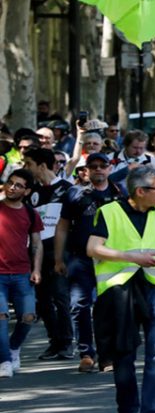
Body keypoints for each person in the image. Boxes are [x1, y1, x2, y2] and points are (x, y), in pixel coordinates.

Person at [87, 166, 155, 413]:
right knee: (124, 353)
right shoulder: (109, 212)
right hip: (121, 291)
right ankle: (127, 412)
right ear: (140, 191)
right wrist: (133, 258)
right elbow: (92, 248)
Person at [55, 152, 125, 372]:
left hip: (111, 258)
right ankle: (86, 352)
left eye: (102, 165)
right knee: (79, 305)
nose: (98, 169)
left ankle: (107, 356)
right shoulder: (74, 193)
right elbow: (63, 226)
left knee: (108, 308)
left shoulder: (121, 192)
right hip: (81, 258)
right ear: (85, 170)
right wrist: (58, 258)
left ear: (110, 168)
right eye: (92, 166)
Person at [22, 148, 74, 361]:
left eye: (29, 164)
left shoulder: (67, 189)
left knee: (61, 297)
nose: (26, 168)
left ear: (42, 165)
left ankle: (67, 343)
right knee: (43, 300)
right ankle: (54, 342)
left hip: (60, 251)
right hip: (37, 252)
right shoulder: (31, 191)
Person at [0, 170, 43, 378]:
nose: (12, 187)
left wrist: (36, 269)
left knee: (28, 316)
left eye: (18, 185)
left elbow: (36, 243)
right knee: (1, 316)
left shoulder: (30, 213)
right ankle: (4, 360)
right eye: (10, 183)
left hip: (22, 273)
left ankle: (13, 347)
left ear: (26, 191)